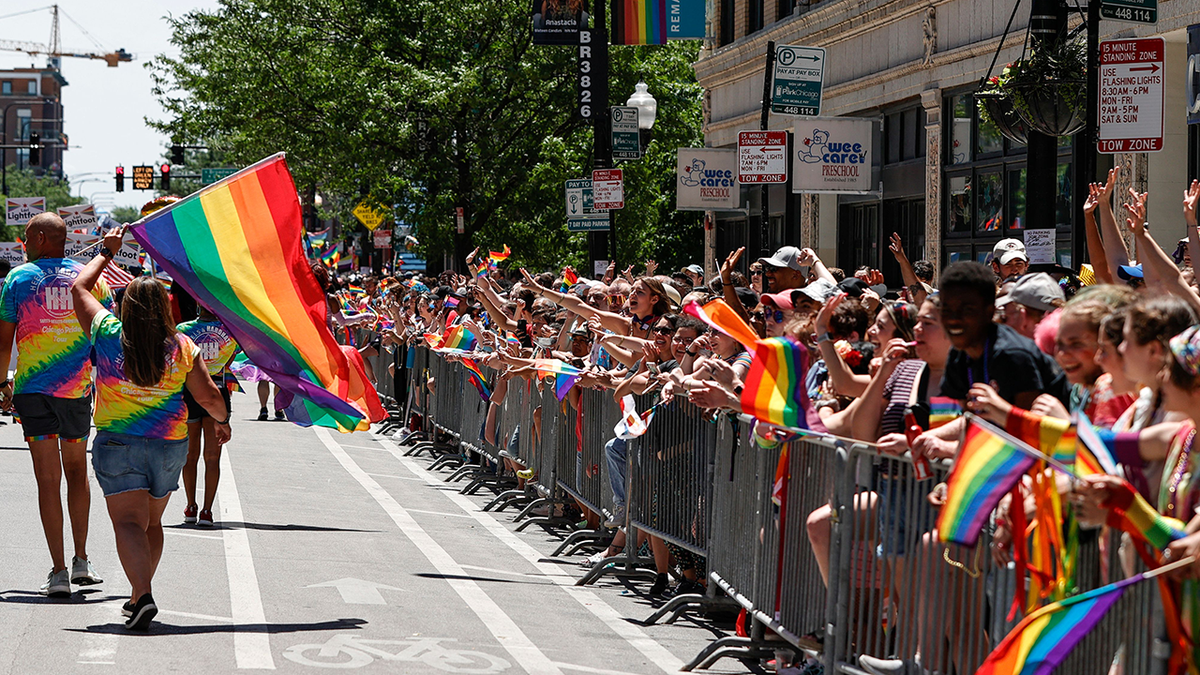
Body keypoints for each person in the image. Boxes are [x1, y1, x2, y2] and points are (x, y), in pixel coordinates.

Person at [71, 226, 231, 630]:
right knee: (152, 523)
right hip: (168, 446)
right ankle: (138, 592)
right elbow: (210, 397)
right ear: (165, 308)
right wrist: (222, 422)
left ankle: (142, 593)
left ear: (125, 305)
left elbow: (79, 290)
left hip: (117, 444)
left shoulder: (108, 333)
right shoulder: (181, 345)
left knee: (127, 522)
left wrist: (108, 252)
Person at [0, 212, 111, 597]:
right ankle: (81, 561)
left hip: (32, 393)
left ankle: (60, 571)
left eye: (27, 237)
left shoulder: (18, 279)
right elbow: (107, 332)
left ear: (44, 238)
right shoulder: (89, 276)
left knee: (48, 480)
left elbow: (3, 341)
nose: (23, 243)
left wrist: (1, 382)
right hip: (76, 391)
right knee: (77, 473)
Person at [178, 307, 238, 527]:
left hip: (189, 391)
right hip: (217, 390)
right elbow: (231, 357)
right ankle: (207, 511)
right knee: (212, 457)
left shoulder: (183, 330)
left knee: (189, 454)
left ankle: (191, 505)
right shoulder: (230, 331)